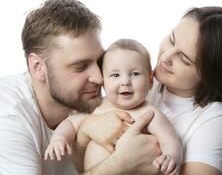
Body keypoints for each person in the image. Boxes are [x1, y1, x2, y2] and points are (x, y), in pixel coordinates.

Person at [0, 0, 161, 175]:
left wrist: (83, 136)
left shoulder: (88, 109)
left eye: (100, 62)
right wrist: (119, 165)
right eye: (80, 66)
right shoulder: (1, 115)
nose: (99, 77)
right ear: (37, 67)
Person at [79, 7, 222, 175]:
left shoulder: (216, 117)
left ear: (211, 74)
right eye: (172, 40)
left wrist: (123, 164)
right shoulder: (139, 81)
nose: (165, 57)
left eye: (184, 59)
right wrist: (86, 127)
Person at [44, 39, 183, 175]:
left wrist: (170, 157)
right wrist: (59, 138)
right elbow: (71, 123)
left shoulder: (150, 114)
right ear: (103, 82)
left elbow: (170, 141)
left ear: (150, 79)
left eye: (135, 74)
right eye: (115, 75)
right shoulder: (97, 106)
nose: (125, 82)